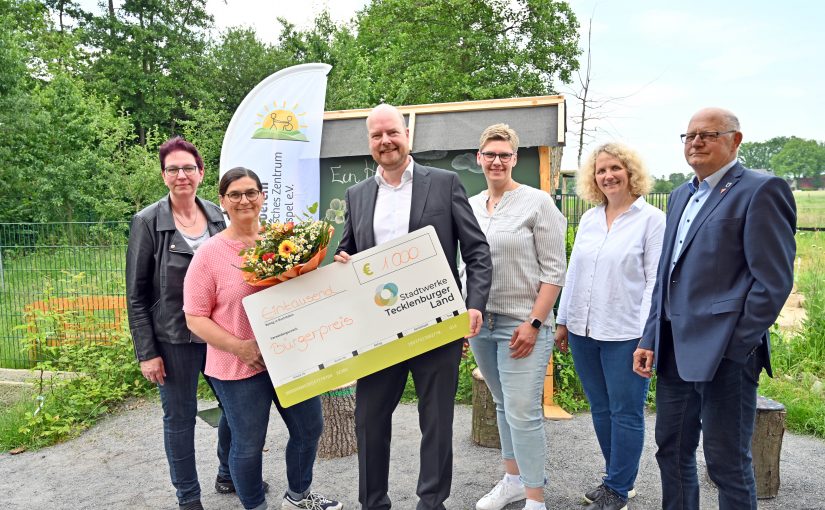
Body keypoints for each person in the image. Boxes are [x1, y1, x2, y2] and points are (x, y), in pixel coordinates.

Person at [633, 108, 796, 510]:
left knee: (726, 463)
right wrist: (650, 337)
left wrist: (735, 345)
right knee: (670, 451)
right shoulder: (680, 195)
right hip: (673, 350)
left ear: (735, 140)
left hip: (726, 354)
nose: (696, 143)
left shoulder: (760, 190)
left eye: (708, 135)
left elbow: (772, 281)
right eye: (689, 136)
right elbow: (666, 276)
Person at [334, 104, 492, 510]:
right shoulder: (357, 194)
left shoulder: (444, 183)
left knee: (436, 421)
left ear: (407, 135)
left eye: (391, 133)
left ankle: (431, 502)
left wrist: (474, 305)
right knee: (369, 421)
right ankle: (373, 503)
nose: (385, 141)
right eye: (376, 136)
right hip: (377, 327)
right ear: (369, 142)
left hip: (435, 321)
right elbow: (347, 250)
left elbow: (477, 252)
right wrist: (343, 262)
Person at [183, 168, 341, 510]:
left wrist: (340, 267)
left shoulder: (286, 241)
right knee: (249, 442)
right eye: (235, 194)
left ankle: (298, 496)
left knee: (309, 428)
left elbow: (310, 289)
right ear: (223, 201)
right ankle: (255, 505)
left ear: (263, 196)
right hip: (238, 364)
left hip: (290, 358)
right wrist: (240, 346)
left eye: (251, 192)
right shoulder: (209, 255)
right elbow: (194, 317)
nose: (245, 200)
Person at [555, 143, 665, 510]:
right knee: (600, 409)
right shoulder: (589, 219)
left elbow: (655, 283)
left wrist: (648, 336)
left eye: (615, 168)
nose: (608, 176)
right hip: (585, 331)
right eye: (601, 170)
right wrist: (563, 320)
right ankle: (617, 479)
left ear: (630, 171)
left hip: (626, 333)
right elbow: (574, 273)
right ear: (593, 178)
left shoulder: (652, 220)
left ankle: (618, 487)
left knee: (626, 411)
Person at [126, 136, 232, 510]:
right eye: (173, 169)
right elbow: (136, 294)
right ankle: (188, 497)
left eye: (188, 167)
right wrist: (147, 353)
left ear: (201, 173)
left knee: (236, 408)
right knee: (180, 418)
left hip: (219, 334)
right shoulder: (148, 222)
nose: (181, 175)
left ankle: (228, 473)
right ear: (164, 176)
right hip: (173, 339)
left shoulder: (219, 216)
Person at [467, 124, 566, 510]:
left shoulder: (537, 202)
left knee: (524, 413)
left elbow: (554, 271)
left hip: (523, 324)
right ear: (479, 158)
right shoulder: (471, 205)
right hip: (481, 325)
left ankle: (536, 500)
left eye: (504, 154)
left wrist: (535, 323)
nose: (496, 161)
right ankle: (512, 481)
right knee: (503, 405)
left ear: (515, 159)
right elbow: (465, 266)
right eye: (489, 154)